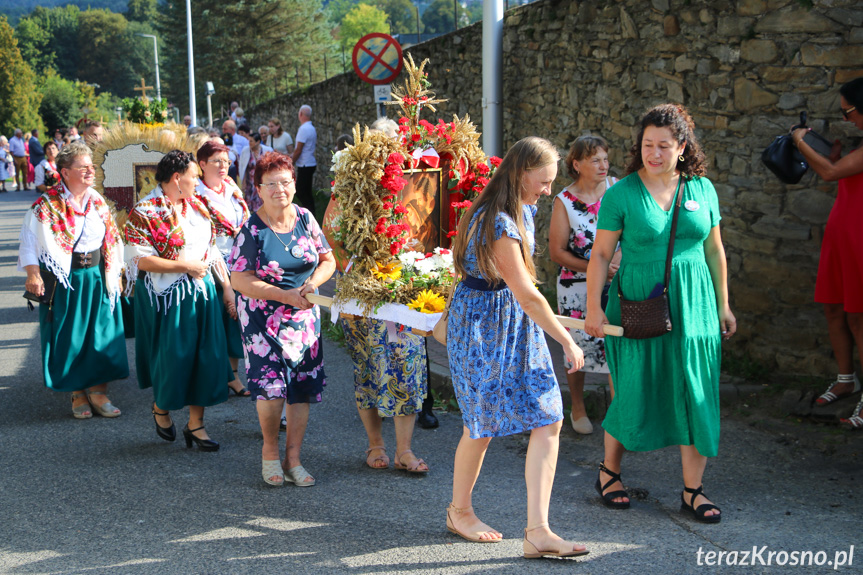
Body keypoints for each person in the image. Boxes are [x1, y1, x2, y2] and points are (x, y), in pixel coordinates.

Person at [584, 103, 735, 523]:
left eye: (663, 146)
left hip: (697, 305)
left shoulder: (703, 189)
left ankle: (693, 491)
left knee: (695, 391)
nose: (654, 153)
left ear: (682, 147)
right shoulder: (622, 193)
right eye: (647, 145)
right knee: (632, 388)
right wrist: (594, 305)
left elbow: (714, 249)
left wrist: (723, 304)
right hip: (638, 303)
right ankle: (609, 473)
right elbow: (600, 255)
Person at [446, 137, 588, 558]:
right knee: (481, 424)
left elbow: (522, 298)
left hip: (513, 322)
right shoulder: (498, 221)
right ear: (520, 172)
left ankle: (538, 531)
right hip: (482, 326)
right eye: (542, 181)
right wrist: (566, 339)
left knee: (549, 416)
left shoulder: (521, 207)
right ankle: (460, 511)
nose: (547, 190)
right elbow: (527, 293)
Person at [229, 152, 335, 486]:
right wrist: (283, 295)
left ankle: (294, 458)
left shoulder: (305, 218)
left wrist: (313, 284)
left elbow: (328, 259)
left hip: (304, 320)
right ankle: (270, 452)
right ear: (258, 188)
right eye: (271, 184)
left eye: (286, 182)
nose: (280, 190)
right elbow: (239, 279)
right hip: (263, 322)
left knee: (301, 390)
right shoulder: (252, 229)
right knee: (272, 391)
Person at [125, 150, 234, 451]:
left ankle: (196, 424)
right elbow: (139, 261)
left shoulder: (198, 207)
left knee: (206, 357)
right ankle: (161, 408)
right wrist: (184, 267)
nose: (197, 183)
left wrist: (226, 287)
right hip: (167, 296)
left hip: (202, 292)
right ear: (177, 178)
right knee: (174, 359)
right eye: (194, 177)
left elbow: (212, 252)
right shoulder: (145, 211)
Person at [18, 140, 128, 419]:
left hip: (97, 275)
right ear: (65, 172)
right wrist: (33, 274)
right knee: (72, 336)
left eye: (92, 167)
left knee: (101, 334)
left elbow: (111, 239)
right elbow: (29, 242)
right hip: (65, 280)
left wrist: (117, 272)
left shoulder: (97, 201)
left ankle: (98, 391)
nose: (91, 172)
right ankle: (78, 393)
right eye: (83, 167)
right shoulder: (46, 205)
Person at [791, 78, 863, 428]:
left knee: (859, 316)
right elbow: (840, 171)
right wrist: (830, 155)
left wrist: (802, 144)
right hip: (841, 236)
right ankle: (846, 378)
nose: (846, 118)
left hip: (860, 241)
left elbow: (831, 173)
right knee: (835, 308)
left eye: (847, 111)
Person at [548, 135, 620, 435]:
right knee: (576, 347)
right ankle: (577, 406)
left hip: (617, 281)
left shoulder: (618, 188)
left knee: (616, 344)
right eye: (595, 160)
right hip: (576, 285)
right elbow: (557, 252)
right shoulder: (565, 201)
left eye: (605, 158)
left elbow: (632, 230)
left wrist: (617, 259)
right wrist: (596, 266)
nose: (603, 165)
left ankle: (618, 412)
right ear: (577, 164)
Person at [195, 140, 251, 398]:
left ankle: (233, 374)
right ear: (202, 164)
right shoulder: (195, 193)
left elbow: (245, 217)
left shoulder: (231, 187)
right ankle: (215, 375)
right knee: (216, 316)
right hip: (211, 258)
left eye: (226, 162)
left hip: (238, 258)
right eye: (217, 161)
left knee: (235, 317)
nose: (223, 167)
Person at [238, 133, 273, 212]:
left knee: (262, 198)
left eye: (251, 141)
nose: (249, 143)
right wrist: (243, 182)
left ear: (258, 142)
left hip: (262, 180)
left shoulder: (267, 150)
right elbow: (243, 167)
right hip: (250, 181)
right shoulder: (246, 151)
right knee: (249, 201)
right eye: (249, 141)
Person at [292, 105, 317, 213]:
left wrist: (291, 162)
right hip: (310, 162)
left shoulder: (303, 129)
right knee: (306, 192)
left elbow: (299, 149)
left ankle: (309, 212)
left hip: (305, 164)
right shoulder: (311, 128)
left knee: (301, 191)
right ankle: (311, 212)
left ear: (300, 114)